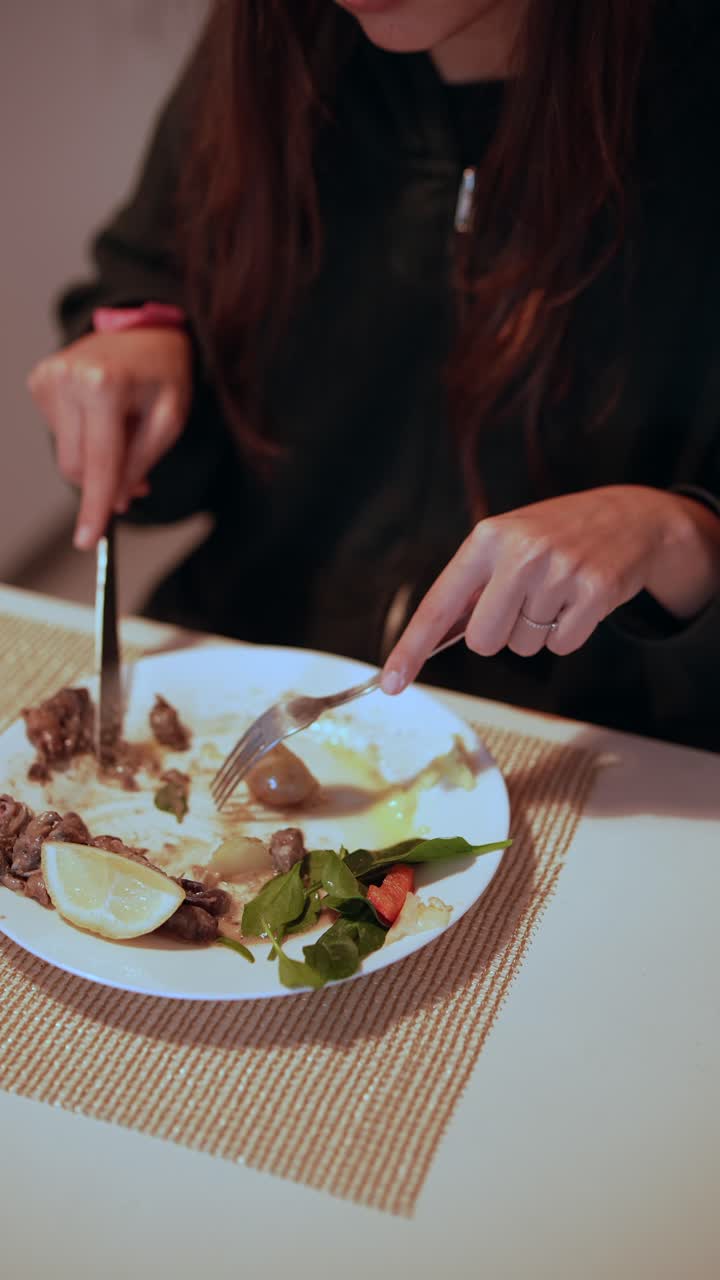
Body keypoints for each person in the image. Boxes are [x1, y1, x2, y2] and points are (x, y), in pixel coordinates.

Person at [28, 0, 720, 750]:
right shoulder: (276, 38)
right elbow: (147, 277)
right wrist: (139, 340)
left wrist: (684, 538)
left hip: (595, 745)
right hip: (245, 680)